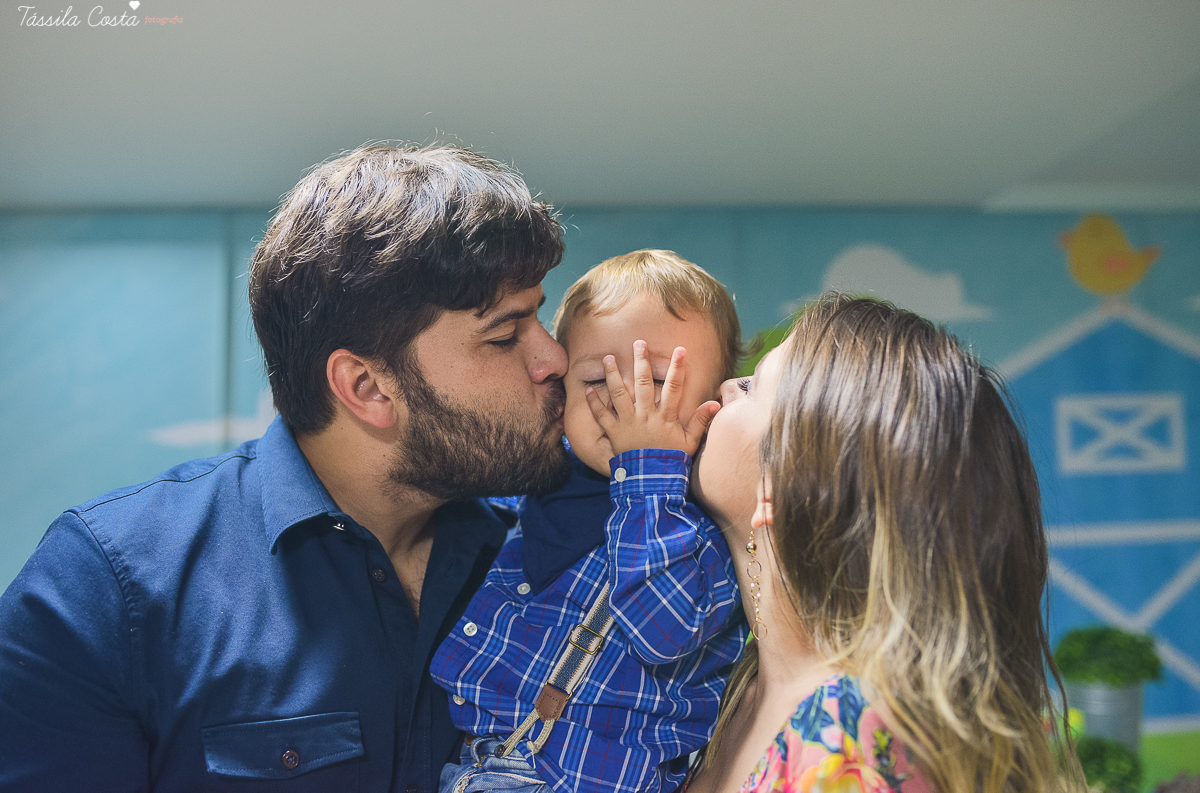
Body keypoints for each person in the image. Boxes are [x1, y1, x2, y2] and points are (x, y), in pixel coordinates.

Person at [0, 144, 576, 792]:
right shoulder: (104, 588)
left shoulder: (561, 557)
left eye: (541, 317)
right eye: (504, 335)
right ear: (366, 387)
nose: (555, 358)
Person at [685, 294, 1084, 793]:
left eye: (749, 386)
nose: (724, 387)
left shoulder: (853, 734)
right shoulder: (732, 689)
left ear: (788, 484)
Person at [431, 250, 750, 793]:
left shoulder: (703, 531)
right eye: (597, 379)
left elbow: (663, 633)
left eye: (653, 382)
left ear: (710, 408)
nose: (624, 402)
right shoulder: (523, 486)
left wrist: (648, 469)